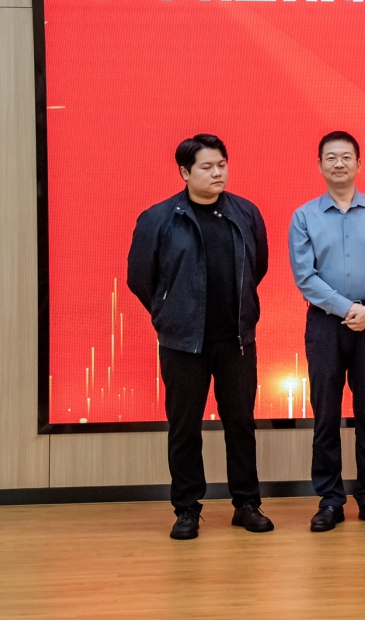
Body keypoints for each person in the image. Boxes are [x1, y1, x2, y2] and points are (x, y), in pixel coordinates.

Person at [126, 134, 273, 540]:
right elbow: (140, 277)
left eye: (222, 165)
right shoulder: (158, 218)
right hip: (183, 344)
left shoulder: (246, 213)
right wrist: (168, 313)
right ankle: (187, 509)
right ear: (184, 172)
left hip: (237, 341)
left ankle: (247, 504)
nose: (217, 173)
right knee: (184, 427)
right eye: (207, 167)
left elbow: (257, 266)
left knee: (240, 423)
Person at [289, 131, 365, 532]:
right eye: (331, 157)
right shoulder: (304, 216)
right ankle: (330, 500)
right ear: (320, 165)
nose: (339, 163)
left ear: (359, 164)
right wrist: (345, 307)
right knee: (326, 415)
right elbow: (305, 277)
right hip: (324, 323)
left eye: (346, 157)